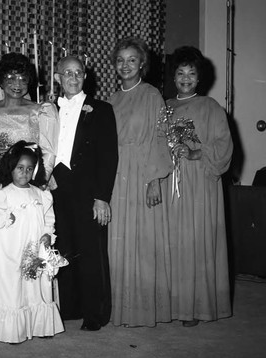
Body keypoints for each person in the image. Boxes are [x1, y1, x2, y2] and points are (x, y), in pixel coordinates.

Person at [107, 37, 173, 328]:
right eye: (120, 60)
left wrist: (154, 179)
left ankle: (143, 310)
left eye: (132, 59)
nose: (126, 65)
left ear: (142, 64)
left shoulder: (151, 95)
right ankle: (119, 307)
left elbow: (160, 139)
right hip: (116, 175)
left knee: (143, 241)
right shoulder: (112, 99)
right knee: (117, 240)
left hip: (143, 172)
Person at [166, 46, 233, 326]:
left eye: (191, 73)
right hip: (170, 181)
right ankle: (171, 305)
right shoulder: (165, 106)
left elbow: (224, 146)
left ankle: (194, 308)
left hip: (199, 183)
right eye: (180, 73)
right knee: (172, 243)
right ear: (173, 76)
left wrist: (195, 153)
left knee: (195, 242)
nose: (185, 78)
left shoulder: (211, 107)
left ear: (199, 78)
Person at [52, 56, 119, 331]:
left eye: (78, 72)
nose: (73, 77)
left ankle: (95, 313)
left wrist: (102, 196)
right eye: (67, 73)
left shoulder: (101, 109)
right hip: (56, 186)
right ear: (58, 78)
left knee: (91, 252)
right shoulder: (46, 109)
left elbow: (109, 155)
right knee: (63, 249)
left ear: (85, 77)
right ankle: (69, 307)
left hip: (88, 190)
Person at [0, 141, 65, 344]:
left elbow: (48, 218)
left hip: (33, 250)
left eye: (29, 169)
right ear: (11, 169)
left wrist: (47, 234)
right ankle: (11, 329)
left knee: (35, 286)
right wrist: (6, 218)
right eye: (20, 168)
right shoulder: (3, 194)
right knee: (13, 287)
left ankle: (39, 325)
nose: (24, 173)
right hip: (11, 251)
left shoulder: (41, 194)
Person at [0, 52, 59, 198]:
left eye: (22, 79)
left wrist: (39, 180)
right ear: (1, 80)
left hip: (30, 180)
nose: (17, 84)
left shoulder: (42, 112)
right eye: (11, 78)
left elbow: (48, 150)